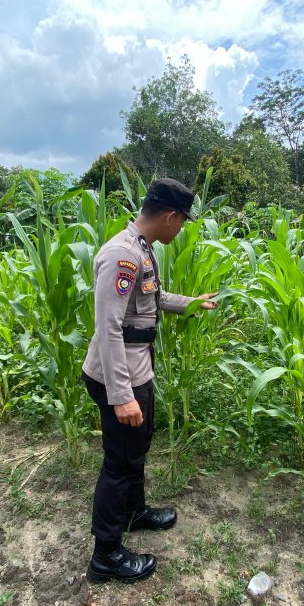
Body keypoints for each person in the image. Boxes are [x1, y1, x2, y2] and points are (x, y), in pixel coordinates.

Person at [82, 178, 218, 584]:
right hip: (117, 375)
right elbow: (107, 328)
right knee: (119, 464)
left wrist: (189, 303)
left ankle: (133, 513)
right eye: (183, 223)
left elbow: (150, 297)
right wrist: (121, 396)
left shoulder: (141, 250)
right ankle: (105, 556)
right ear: (170, 216)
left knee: (136, 451)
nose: (181, 230)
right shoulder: (122, 255)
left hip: (135, 367)